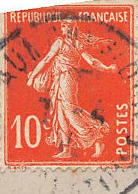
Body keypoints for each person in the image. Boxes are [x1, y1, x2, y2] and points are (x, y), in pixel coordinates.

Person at [26, 20, 117, 159]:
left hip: (67, 79)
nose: (62, 28)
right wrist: (107, 68)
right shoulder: (73, 44)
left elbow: (47, 60)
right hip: (59, 80)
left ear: (70, 28)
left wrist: (33, 76)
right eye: (62, 25)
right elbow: (91, 61)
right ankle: (66, 149)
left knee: (70, 112)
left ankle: (96, 140)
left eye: (64, 25)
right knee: (60, 113)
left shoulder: (62, 43)